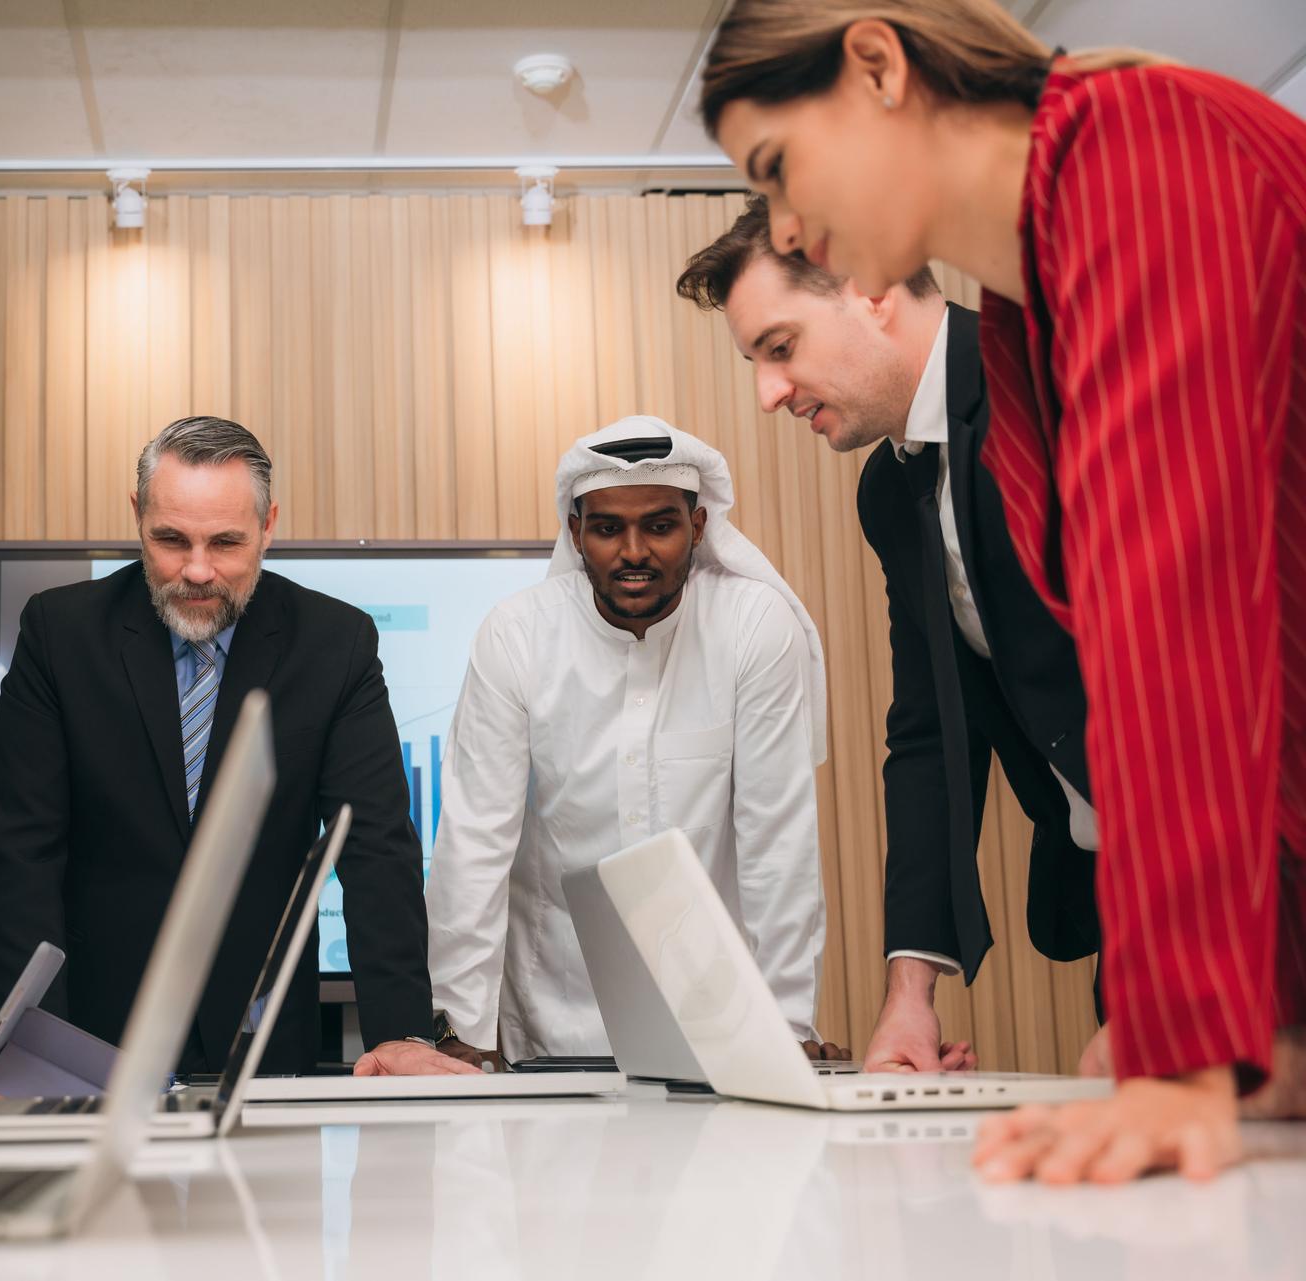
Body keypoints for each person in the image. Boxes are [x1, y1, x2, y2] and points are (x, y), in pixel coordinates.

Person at [698, 0, 1306, 1183]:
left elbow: (1178, 609)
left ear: (878, 65)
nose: (785, 222)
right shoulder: (1038, 301)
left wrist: (1188, 1048)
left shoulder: (1140, 150)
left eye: (777, 169)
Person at [675, 198, 1102, 1076]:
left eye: (780, 348)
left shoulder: (1053, 392)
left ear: (868, 288)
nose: (767, 394)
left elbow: (1181, 690)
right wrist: (910, 995)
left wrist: (1171, 981)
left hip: (1239, 892)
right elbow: (932, 738)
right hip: (1121, 901)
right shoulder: (888, 491)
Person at [0, 416, 476, 1078]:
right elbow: (20, 857)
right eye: (171, 540)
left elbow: (375, 845)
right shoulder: (59, 633)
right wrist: (38, 1050)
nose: (198, 570)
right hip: (95, 1037)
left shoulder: (335, 644)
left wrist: (403, 1033)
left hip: (265, 1042)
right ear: (137, 516)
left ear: (269, 526)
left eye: (227, 542)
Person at [426, 417, 831, 1065]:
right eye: (609, 527)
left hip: (723, 1028)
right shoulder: (517, 635)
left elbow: (776, 844)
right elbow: (475, 844)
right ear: (576, 532)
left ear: (697, 527)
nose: (634, 550)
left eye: (660, 525)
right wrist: (460, 1036)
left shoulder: (753, 626)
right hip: (555, 1021)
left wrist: (786, 1023)